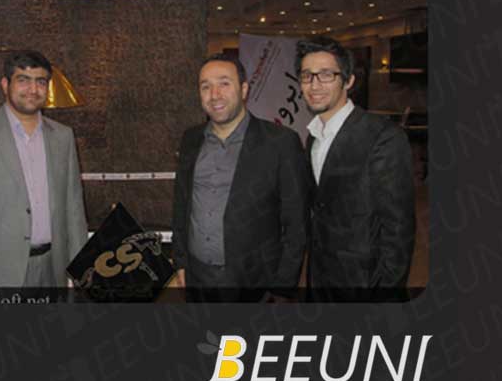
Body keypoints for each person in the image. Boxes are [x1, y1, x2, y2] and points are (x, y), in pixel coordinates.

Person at [171, 53, 311, 301]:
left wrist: (282, 287)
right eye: (206, 86)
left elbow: (296, 223)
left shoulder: (280, 142)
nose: (214, 95)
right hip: (197, 278)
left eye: (224, 83)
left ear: (244, 89)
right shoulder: (190, 139)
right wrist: (180, 261)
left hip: (254, 282)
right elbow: (181, 205)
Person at [0, 51, 88, 289]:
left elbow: (73, 208)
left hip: (53, 269)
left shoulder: (63, 136)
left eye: (40, 82)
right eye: (23, 80)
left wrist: (81, 268)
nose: (33, 89)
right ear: (5, 84)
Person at [296, 37, 415, 298]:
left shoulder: (382, 137)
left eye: (326, 75)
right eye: (306, 76)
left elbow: (398, 229)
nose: (314, 85)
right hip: (321, 279)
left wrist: (384, 293)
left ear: (348, 81)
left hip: (365, 284)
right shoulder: (313, 137)